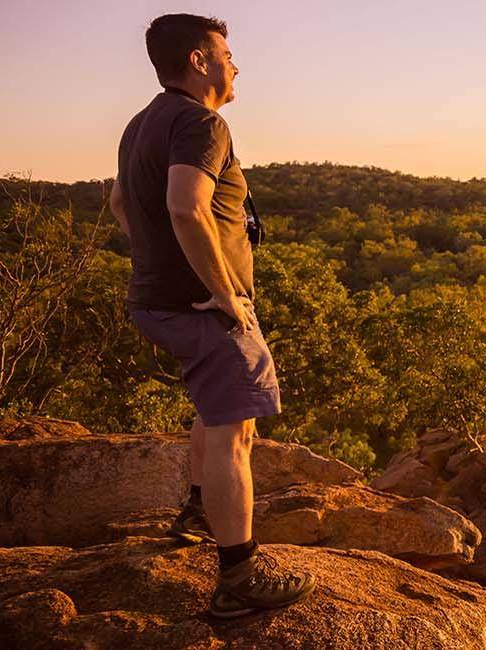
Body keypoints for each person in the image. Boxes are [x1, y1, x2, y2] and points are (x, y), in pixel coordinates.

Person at [109, 13, 314, 618]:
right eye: (228, 52)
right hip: (201, 310)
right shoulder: (202, 121)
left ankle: (200, 510)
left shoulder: (140, 123)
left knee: (214, 409)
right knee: (236, 434)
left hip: (156, 302)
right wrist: (224, 292)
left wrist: (159, 267)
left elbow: (122, 201)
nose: (236, 63)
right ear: (200, 61)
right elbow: (185, 207)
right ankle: (239, 580)